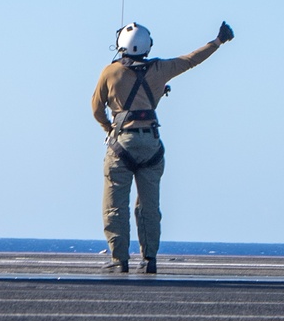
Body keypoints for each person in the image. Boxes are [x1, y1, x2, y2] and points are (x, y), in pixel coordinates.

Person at [91, 19, 234, 275]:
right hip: (151, 144)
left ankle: (118, 259)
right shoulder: (160, 69)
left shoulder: (109, 72)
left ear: (120, 45)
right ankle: (149, 259)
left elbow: (96, 109)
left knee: (115, 205)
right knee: (149, 206)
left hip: (120, 143)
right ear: (147, 46)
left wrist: (109, 130)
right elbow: (191, 59)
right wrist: (218, 41)